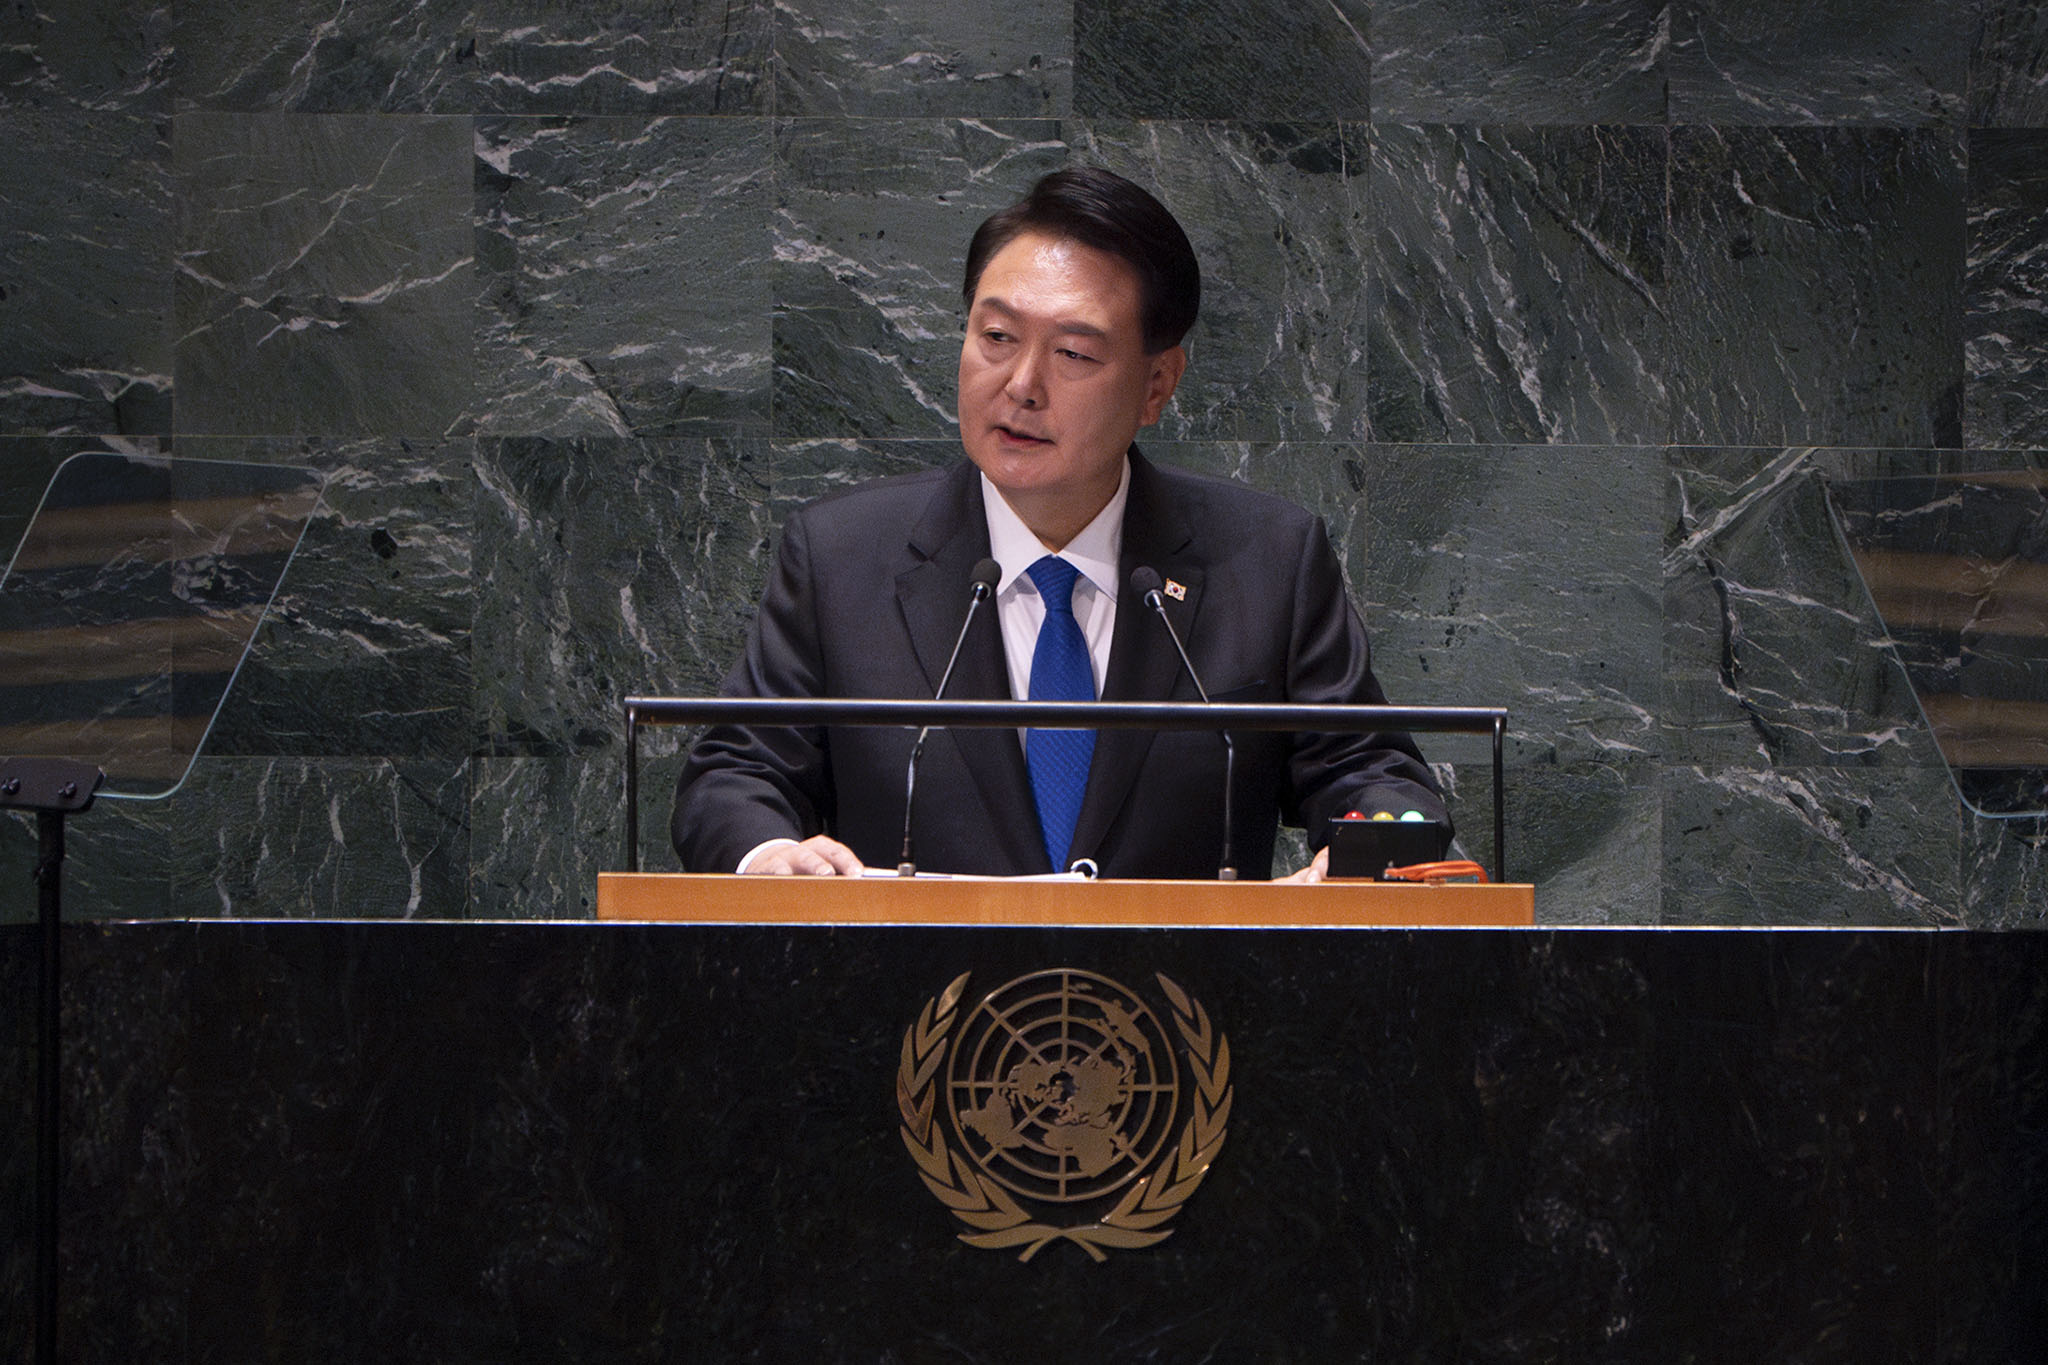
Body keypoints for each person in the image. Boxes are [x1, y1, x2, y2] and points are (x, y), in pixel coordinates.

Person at [672, 166, 1445, 880]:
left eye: (1073, 353)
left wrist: (1365, 857)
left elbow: (1374, 777)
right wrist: (770, 853)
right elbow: (735, 772)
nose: (1022, 386)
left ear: (1156, 385)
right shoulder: (841, 557)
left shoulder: (1268, 561)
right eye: (997, 338)